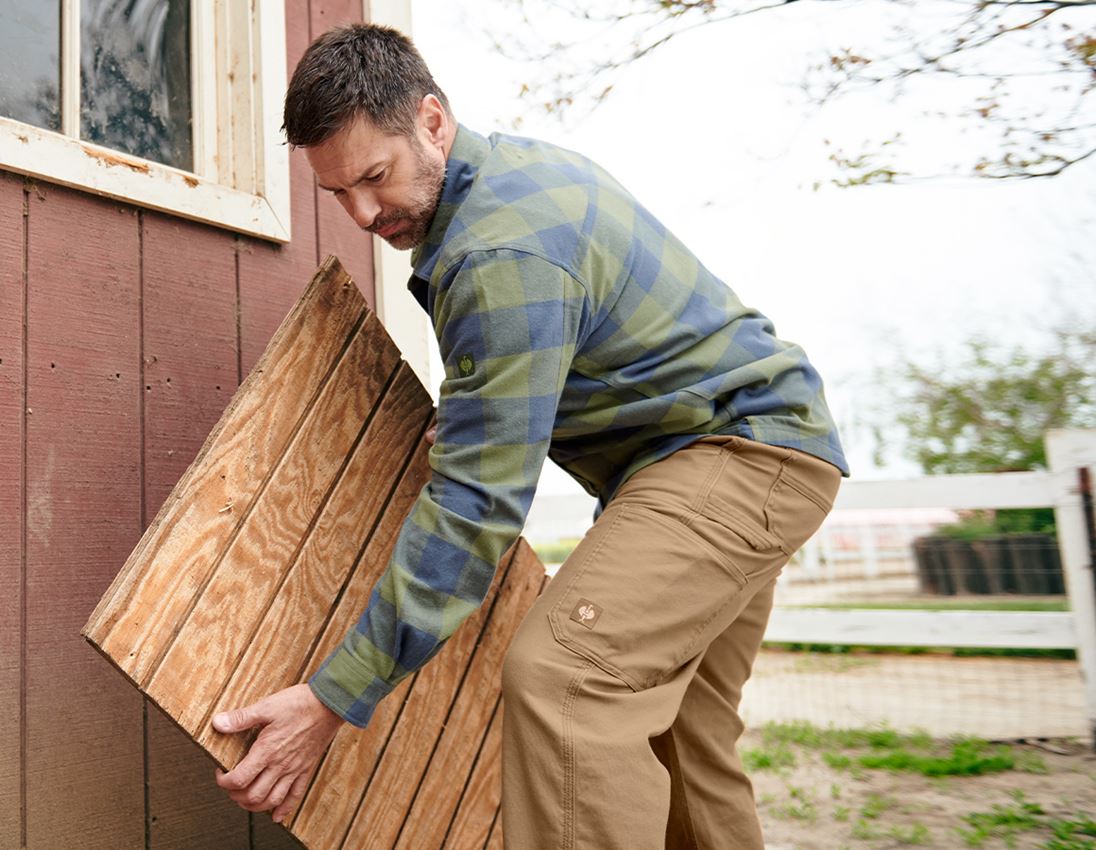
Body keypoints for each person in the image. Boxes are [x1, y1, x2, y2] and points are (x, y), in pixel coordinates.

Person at [212, 23, 849, 849]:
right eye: (338, 194)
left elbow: (479, 505)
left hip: (733, 455)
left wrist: (333, 698)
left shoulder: (498, 249)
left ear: (432, 123)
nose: (364, 212)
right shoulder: (505, 184)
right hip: (752, 448)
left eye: (375, 177)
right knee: (682, 724)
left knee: (567, 680)